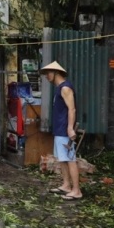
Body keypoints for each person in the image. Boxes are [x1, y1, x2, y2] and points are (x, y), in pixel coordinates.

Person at [40, 61, 82, 201]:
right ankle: (66, 185)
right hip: (59, 129)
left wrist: (70, 128)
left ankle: (76, 190)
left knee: (70, 159)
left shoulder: (65, 88)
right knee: (62, 159)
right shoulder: (59, 88)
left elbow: (72, 109)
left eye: (48, 73)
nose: (46, 76)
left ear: (56, 73)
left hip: (65, 129)